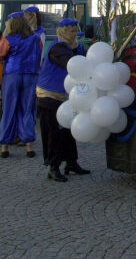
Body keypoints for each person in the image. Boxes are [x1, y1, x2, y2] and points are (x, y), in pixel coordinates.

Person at [35, 18, 90, 182]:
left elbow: (86, 60)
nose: (73, 34)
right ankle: (53, 167)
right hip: (49, 95)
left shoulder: (77, 47)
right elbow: (71, 64)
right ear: (62, 32)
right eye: (70, 31)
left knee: (68, 130)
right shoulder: (57, 48)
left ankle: (71, 163)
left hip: (67, 95)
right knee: (53, 132)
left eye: (75, 31)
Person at [0, 12, 41, 158]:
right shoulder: (35, 39)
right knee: (27, 108)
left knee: (9, 108)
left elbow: (1, 53)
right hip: (30, 75)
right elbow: (39, 55)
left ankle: (4, 146)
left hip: (12, 74)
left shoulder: (8, 39)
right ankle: (28, 146)